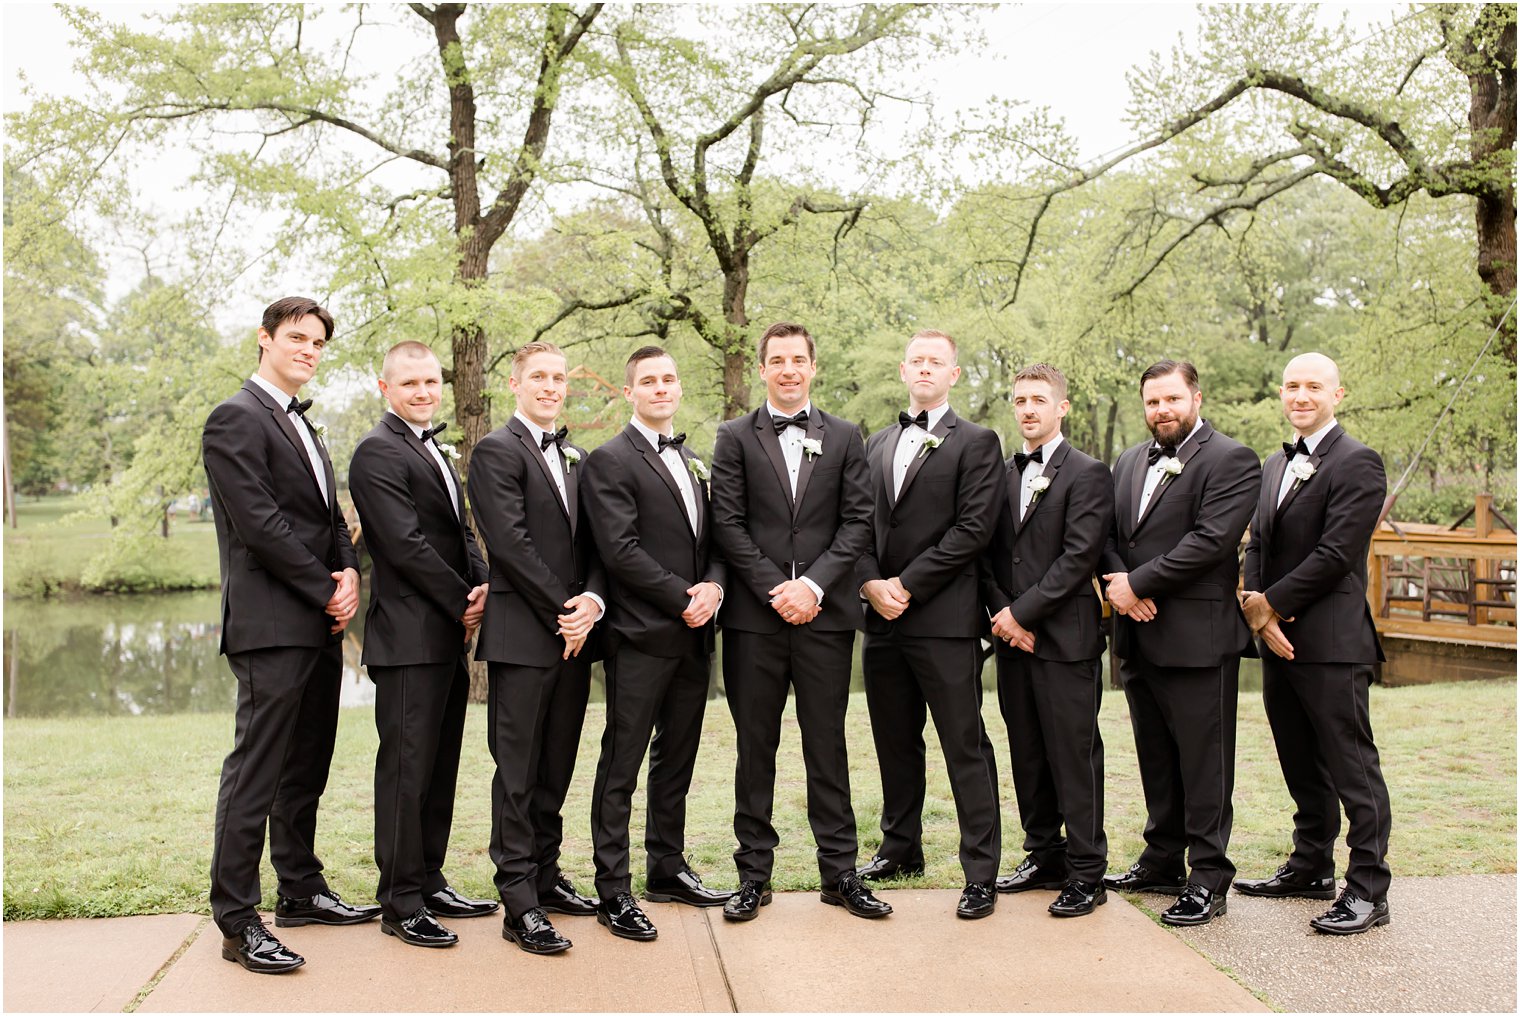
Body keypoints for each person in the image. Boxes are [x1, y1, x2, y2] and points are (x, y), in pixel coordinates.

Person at [202, 296, 377, 974]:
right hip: (272, 623)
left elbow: (331, 517)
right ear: (265, 339)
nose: (308, 349)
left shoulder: (306, 426)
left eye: (318, 342)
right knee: (256, 769)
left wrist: (351, 571)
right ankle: (237, 919)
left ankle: (299, 889)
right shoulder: (235, 419)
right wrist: (325, 586)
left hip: (320, 622)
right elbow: (259, 524)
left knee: (306, 763)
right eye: (296, 337)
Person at [709, 321, 889, 923]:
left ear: (814, 367)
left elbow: (858, 523)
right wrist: (772, 589)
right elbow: (727, 524)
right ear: (762, 369)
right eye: (777, 360)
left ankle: (840, 874)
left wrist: (811, 586)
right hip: (753, 624)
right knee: (755, 749)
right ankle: (752, 876)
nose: (788, 369)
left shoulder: (843, 436)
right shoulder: (734, 436)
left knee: (827, 746)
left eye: (798, 360)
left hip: (825, 618)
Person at [1235, 352, 1393, 935]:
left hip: (1331, 641)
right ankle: (1310, 866)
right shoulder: (1275, 464)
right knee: (1300, 762)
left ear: (1337, 393)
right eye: (1293, 386)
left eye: (1314, 387)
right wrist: (1255, 608)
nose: (1302, 396)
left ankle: (1369, 888)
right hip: (1276, 641)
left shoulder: (1359, 462)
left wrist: (1269, 603)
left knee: (1352, 768)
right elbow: (1256, 542)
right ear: (1282, 393)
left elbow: (1336, 554)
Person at [1099, 359, 1259, 927]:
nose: (1161, 411)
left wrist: (1137, 584)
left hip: (1198, 639)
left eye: (1171, 399)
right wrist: (1119, 586)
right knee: (1156, 756)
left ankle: (1209, 876)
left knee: (1204, 761)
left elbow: (1211, 542)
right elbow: (1111, 535)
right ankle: (1162, 858)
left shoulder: (1232, 460)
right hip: (1137, 636)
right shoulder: (1127, 460)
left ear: (1195, 397)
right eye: (1152, 402)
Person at [348, 341, 495, 951]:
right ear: (387, 388)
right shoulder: (377, 453)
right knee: (407, 770)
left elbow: (460, 530)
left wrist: (483, 577)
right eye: (409, 383)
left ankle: (430, 879)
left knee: (439, 766)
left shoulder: (434, 448)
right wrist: (465, 599)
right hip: (409, 638)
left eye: (431, 382)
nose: (423, 391)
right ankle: (400, 900)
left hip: (445, 637)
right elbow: (405, 546)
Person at [581, 346, 729, 941]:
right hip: (641, 635)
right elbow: (618, 550)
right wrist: (681, 597)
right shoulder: (610, 460)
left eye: (669, 378)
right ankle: (613, 890)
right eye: (649, 380)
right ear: (629, 392)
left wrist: (715, 588)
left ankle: (666, 868)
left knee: (677, 759)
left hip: (695, 636)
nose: (661, 388)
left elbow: (715, 539)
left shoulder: (693, 459)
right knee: (623, 762)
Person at [855, 330, 1003, 920]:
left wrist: (907, 585)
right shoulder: (875, 442)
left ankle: (981, 872)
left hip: (943, 619)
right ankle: (900, 848)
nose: (924, 369)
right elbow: (856, 524)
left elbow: (973, 530)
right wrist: (869, 582)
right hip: (881, 621)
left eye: (935, 362)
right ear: (902, 369)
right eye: (915, 360)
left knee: (963, 744)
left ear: (954, 374)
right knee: (894, 739)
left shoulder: (977, 442)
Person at [468, 341, 607, 955]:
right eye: (539, 378)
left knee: (557, 766)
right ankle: (518, 900)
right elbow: (511, 546)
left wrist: (592, 604)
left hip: (574, 639)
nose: (550, 387)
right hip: (524, 637)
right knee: (518, 773)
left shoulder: (577, 457)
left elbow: (599, 545)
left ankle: (547, 877)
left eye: (558, 379)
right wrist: (565, 609)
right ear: (515, 383)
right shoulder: (496, 452)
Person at [980, 363, 1115, 918]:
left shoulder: (1088, 473)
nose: (1028, 409)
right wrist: (1001, 614)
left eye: (1039, 399)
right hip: (1012, 640)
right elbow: (987, 553)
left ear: (1062, 407)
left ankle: (1087, 871)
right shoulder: (1002, 474)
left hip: (1065, 639)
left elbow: (1079, 555)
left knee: (1073, 756)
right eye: (1020, 400)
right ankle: (1043, 854)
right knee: (1028, 753)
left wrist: (1024, 615)